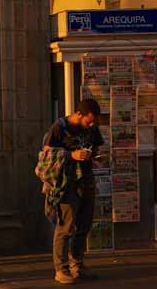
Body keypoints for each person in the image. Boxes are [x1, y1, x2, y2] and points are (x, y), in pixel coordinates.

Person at [45, 97, 103, 285]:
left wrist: (98, 155)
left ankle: (77, 264)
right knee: (65, 227)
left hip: (86, 180)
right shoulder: (59, 127)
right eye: (89, 121)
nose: (92, 124)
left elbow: (97, 147)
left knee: (84, 225)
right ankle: (60, 269)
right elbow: (46, 153)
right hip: (66, 183)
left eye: (94, 121)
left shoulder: (92, 128)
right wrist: (72, 154)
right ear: (79, 114)